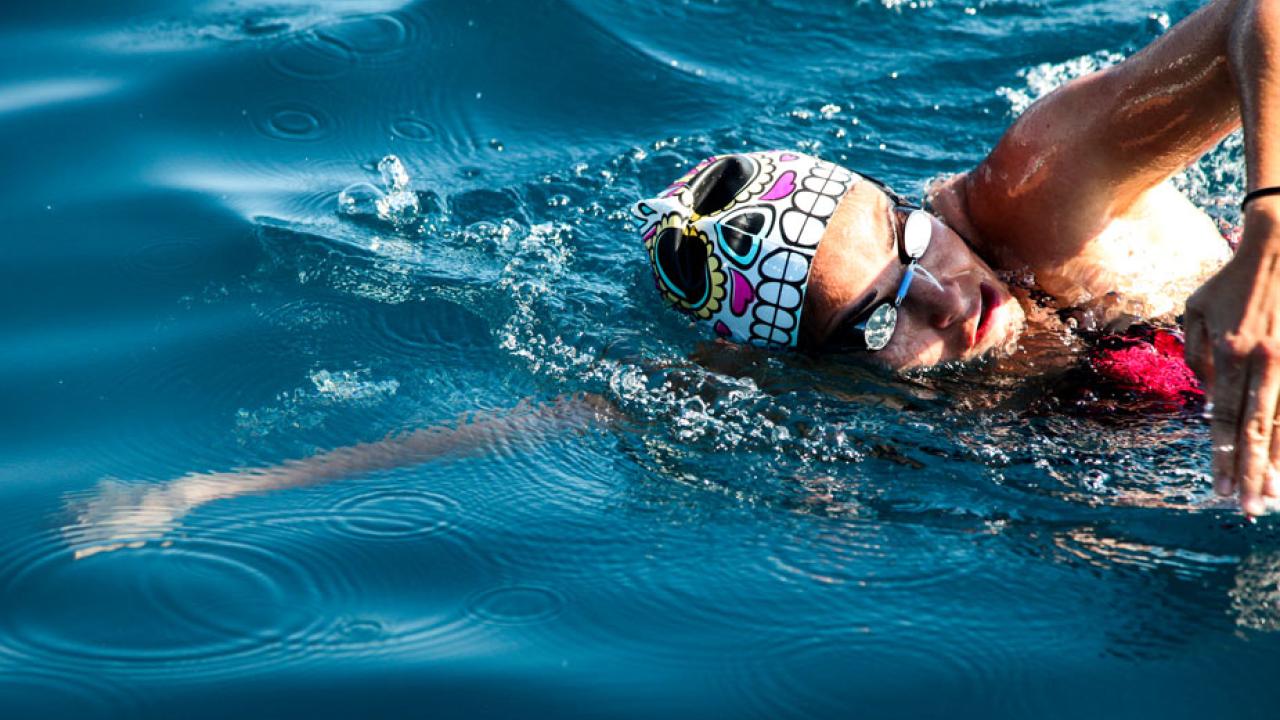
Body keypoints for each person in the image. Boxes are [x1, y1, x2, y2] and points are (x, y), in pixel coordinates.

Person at [634, 0, 1280, 517]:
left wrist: (1266, 237)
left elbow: (1255, 13)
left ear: (897, 201)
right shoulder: (895, 422)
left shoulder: (1039, 193)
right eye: (878, 320)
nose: (945, 300)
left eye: (912, 240)